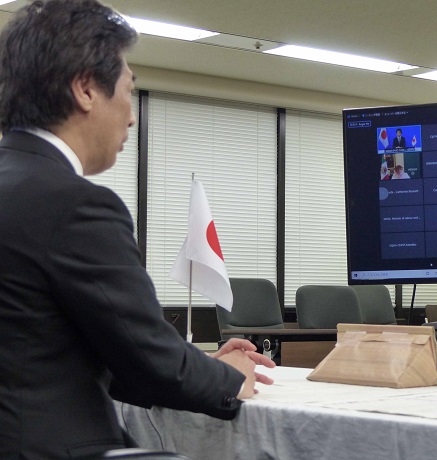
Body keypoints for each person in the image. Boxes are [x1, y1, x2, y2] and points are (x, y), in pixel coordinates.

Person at [0, 1, 274, 458]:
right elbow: (151, 361)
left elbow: (51, 347)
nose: (131, 116)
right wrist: (231, 378)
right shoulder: (76, 205)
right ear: (86, 89)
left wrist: (197, 362)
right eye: (129, 91)